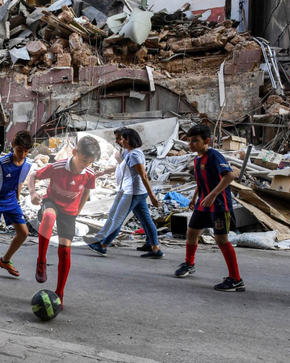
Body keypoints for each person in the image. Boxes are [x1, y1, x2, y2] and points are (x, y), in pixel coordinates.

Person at [28, 136, 100, 307]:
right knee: (49, 216)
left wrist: (78, 211)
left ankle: (60, 292)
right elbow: (33, 176)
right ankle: (41, 260)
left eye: (89, 162)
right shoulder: (57, 166)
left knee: (65, 252)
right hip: (51, 201)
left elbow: (86, 193)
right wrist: (32, 193)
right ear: (75, 152)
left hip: (69, 211)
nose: (85, 165)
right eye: (83, 160)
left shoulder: (89, 174)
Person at [175, 125, 244, 292]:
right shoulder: (198, 159)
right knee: (191, 232)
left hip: (219, 205)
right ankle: (189, 264)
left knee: (221, 240)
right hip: (202, 204)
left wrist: (213, 195)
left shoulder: (214, 155)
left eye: (195, 141)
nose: (190, 144)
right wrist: (194, 198)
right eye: (189, 141)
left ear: (206, 141)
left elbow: (229, 175)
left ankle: (236, 279)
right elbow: (200, 181)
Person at [87, 128, 164, 258]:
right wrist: (103, 172)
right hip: (134, 192)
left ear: (128, 139)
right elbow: (121, 167)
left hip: (132, 193)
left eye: (121, 139)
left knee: (117, 219)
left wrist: (152, 196)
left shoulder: (134, 155)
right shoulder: (130, 153)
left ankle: (103, 246)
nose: (120, 141)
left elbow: (144, 176)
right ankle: (155, 248)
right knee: (145, 220)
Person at [0, 131, 33, 288]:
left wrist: (16, 199)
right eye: (19, 150)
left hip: (11, 201)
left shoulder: (27, 164)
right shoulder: (1, 164)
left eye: (26, 151)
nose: (23, 154)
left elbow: (20, 181)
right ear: (13, 147)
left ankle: (5, 260)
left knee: (23, 233)